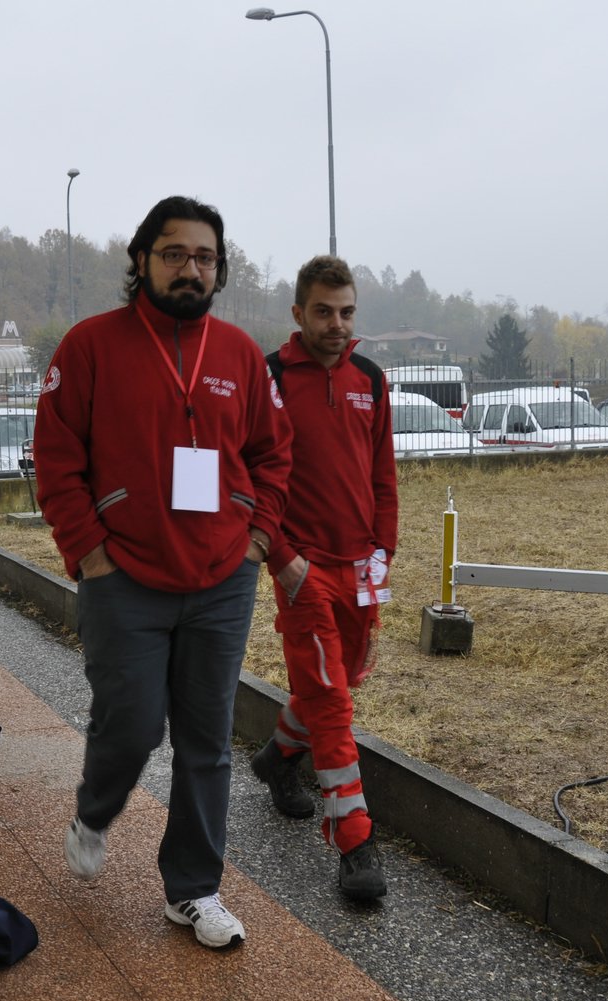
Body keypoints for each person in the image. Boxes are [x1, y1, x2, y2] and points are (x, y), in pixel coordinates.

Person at [33, 195, 292, 948]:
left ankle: (193, 890)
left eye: (205, 256)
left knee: (207, 740)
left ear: (220, 269)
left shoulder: (240, 354)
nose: (191, 268)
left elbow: (274, 454)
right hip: (125, 577)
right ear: (141, 260)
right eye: (174, 253)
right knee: (135, 721)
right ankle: (95, 807)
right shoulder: (90, 346)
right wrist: (90, 553)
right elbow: (56, 459)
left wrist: (258, 537)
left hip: (222, 577)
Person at [250, 255, 397, 901]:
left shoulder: (371, 376)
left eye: (346, 312)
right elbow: (247, 478)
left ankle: (280, 756)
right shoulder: (271, 377)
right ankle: (354, 838)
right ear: (298, 313)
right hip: (301, 569)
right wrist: (283, 559)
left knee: (347, 676)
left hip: (361, 568)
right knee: (334, 702)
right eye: (323, 311)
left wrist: (383, 551)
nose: (336, 324)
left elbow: (382, 477)